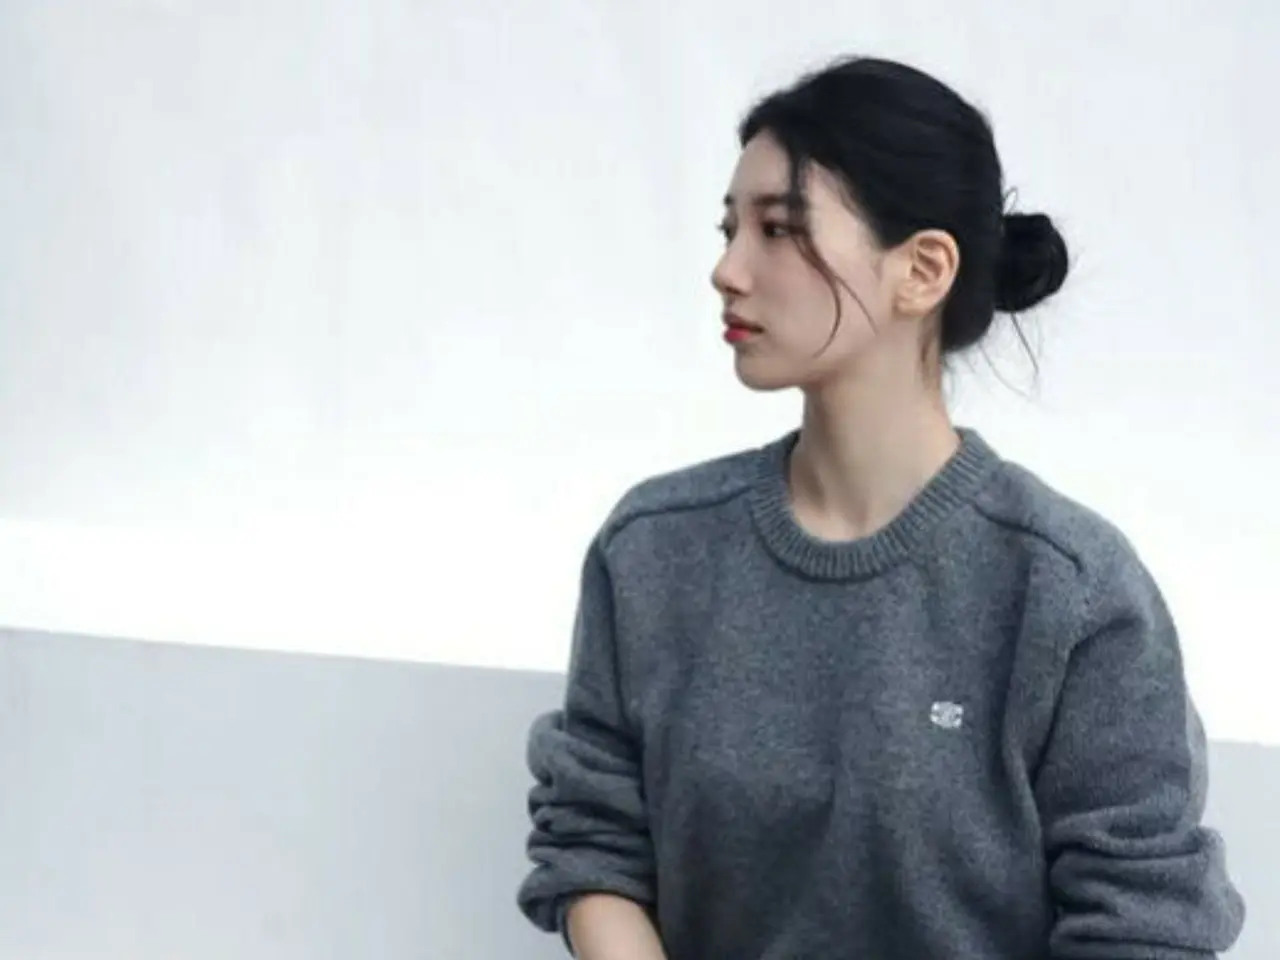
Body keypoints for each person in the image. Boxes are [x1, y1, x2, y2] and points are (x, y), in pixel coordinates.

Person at [515, 55, 1245, 960]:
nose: (726, 270)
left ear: (922, 269)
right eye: (729, 228)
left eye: (779, 230)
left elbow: (1144, 926)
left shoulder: (1072, 593)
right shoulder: (654, 549)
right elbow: (595, 844)